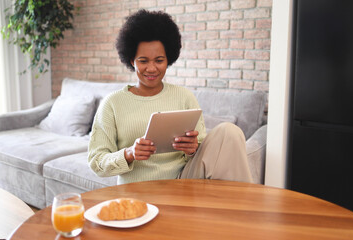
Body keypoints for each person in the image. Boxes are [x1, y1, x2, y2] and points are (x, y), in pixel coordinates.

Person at [88, 9, 252, 184]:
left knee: (230, 131)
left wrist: (192, 149)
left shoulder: (184, 97)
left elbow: (204, 151)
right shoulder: (113, 103)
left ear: (169, 60)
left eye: (159, 60)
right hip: (137, 189)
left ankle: (242, 206)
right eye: (143, 61)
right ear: (131, 61)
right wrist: (129, 153)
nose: (151, 68)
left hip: (182, 182)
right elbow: (96, 161)